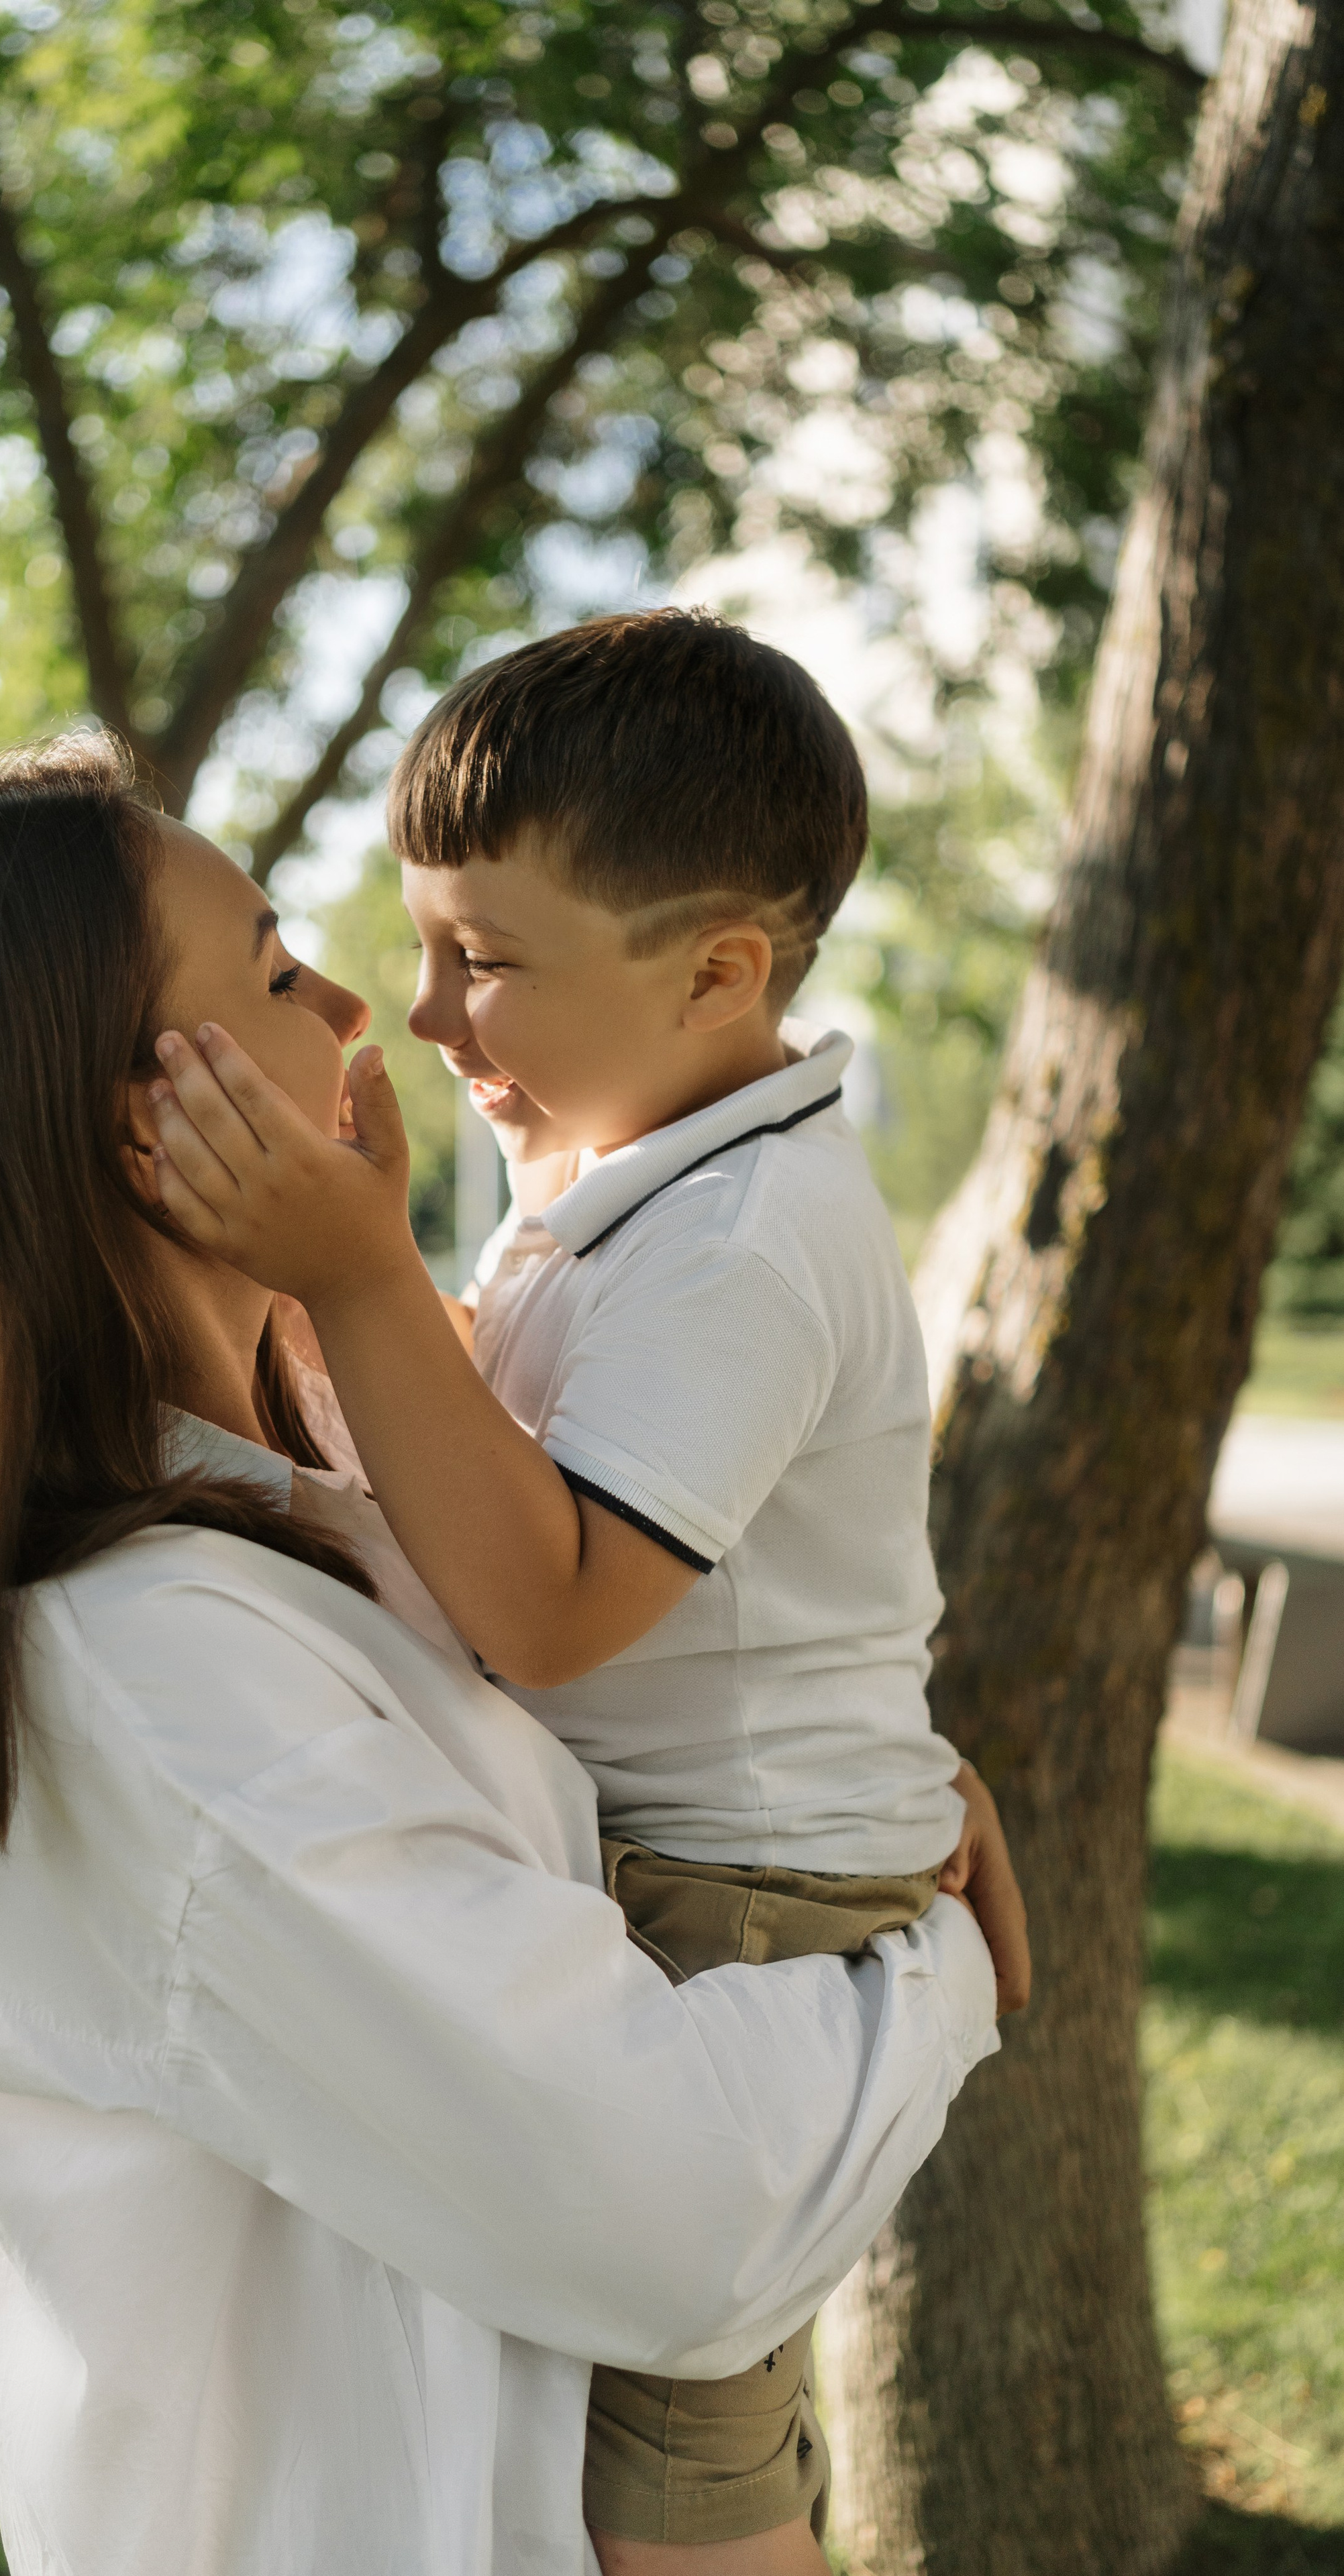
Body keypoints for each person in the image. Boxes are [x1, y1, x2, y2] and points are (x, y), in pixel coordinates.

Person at [0, 734, 1008, 2576]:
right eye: (279, 970)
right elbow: (682, 2221)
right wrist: (942, 1954)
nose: (374, 1003)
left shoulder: (313, 1496)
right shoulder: (146, 1680)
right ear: (139, 1125)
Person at [142, 612, 1033, 2576]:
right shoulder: (621, 1163)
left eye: (489, 960)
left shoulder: (741, 1239)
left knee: (676, 2468)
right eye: (422, 937)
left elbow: (544, 1611)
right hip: (697, 1854)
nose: (428, 1011)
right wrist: (338, 1280)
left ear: (720, 971)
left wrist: (360, 1279)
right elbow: (487, 1456)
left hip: (744, 1906)